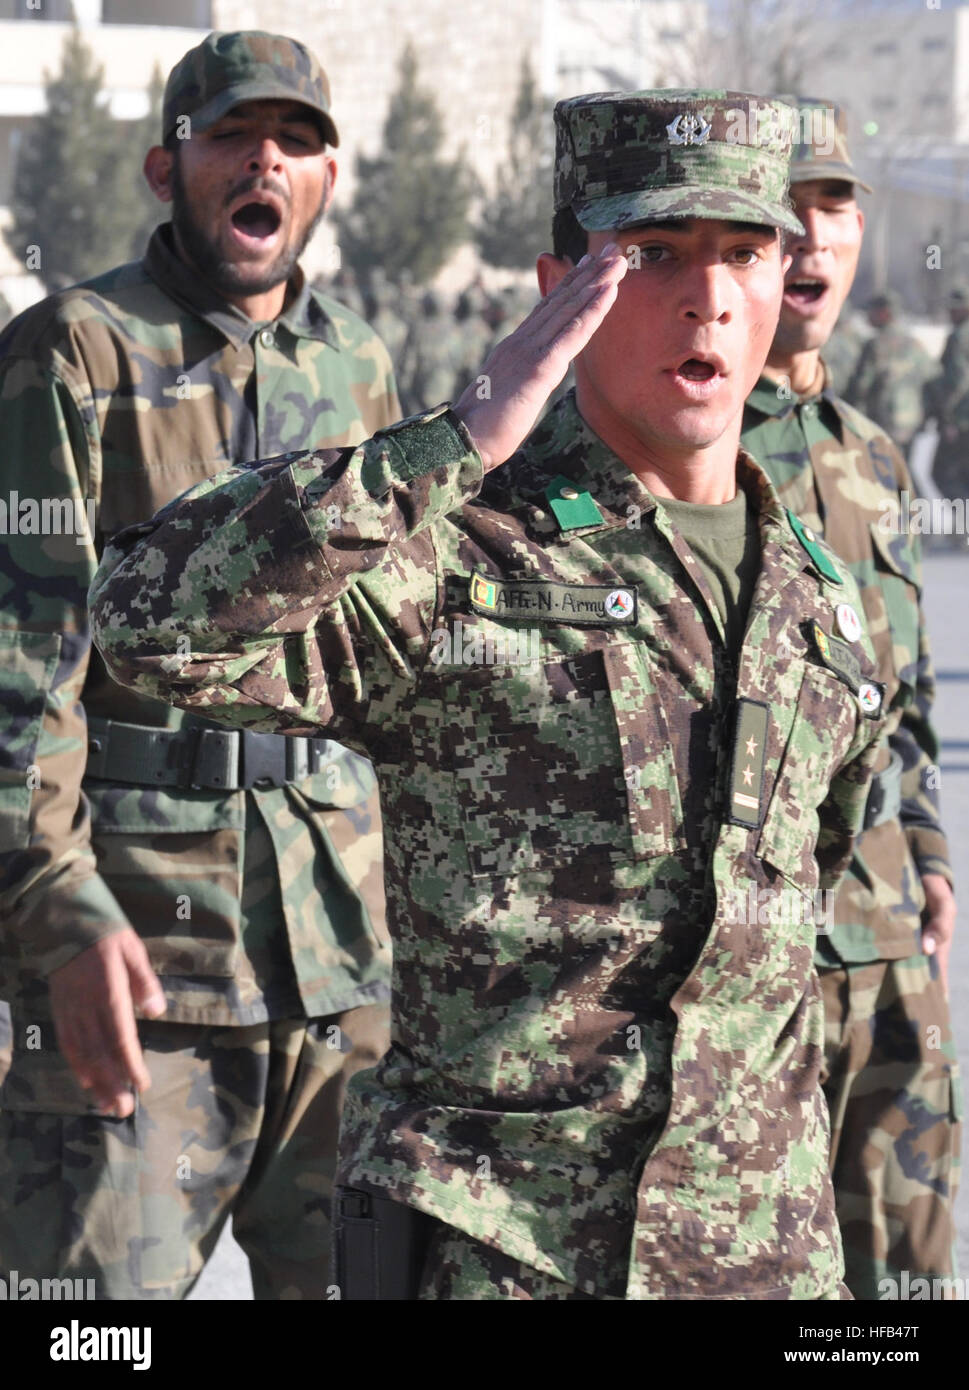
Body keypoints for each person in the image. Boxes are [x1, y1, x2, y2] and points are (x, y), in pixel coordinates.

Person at [90, 89, 887, 1301]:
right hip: (501, 1248)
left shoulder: (821, 603)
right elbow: (151, 621)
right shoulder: (460, 557)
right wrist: (455, 439)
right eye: (653, 256)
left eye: (746, 253)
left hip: (761, 1265)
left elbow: (798, 948)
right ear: (558, 283)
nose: (710, 297)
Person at [0, 30, 396, 1300]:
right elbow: (22, 659)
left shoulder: (361, 370)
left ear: (327, 178)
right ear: (167, 167)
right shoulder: (76, 349)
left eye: (294, 139)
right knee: (94, 1326)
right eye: (231, 134)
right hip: (137, 963)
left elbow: (393, 663)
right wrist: (53, 913)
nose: (264, 158)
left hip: (336, 962)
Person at [741, 99, 960, 1300]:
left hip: (883, 957)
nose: (813, 240)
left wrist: (926, 845)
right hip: (745, 973)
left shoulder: (870, 456)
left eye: (833, 206)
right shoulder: (674, 443)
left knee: (905, 1285)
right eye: (783, 213)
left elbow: (909, 692)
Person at [845, 289, 932, 450]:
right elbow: (932, 378)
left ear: (884, 313)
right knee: (902, 470)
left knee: (883, 471)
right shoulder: (914, 343)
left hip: (883, 423)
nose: (868, 316)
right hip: (910, 422)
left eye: (872, 311)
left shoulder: (876, 345)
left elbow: (860, 386)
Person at [924, 283, 969, 501]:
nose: (950, 313)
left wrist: (947, 417)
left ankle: (963, 528)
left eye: (955, 308)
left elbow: (958, 380)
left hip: (961, 421)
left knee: (942, 474)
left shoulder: (960, 337)